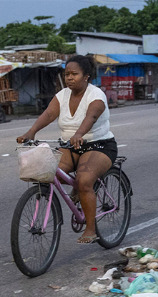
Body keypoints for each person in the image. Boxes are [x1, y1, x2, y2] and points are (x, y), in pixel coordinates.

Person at [17, 55, 117, 244]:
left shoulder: (96, 95)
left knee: (84, 181)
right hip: (70, 146)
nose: (69, 78)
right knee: (47, 172)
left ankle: (90, 228)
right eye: (66, 74)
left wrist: (79, 133)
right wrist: (31, 133)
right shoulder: (62, 96)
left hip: (99, 145)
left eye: (74, 74)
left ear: (86, 76)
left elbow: (92, 116)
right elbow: (48, 114)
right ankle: (77, 189)